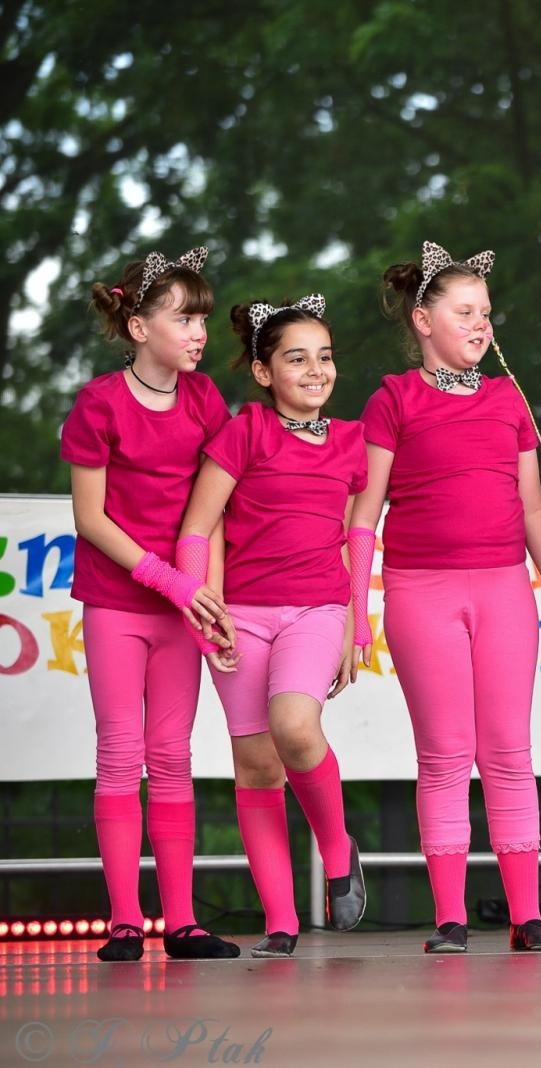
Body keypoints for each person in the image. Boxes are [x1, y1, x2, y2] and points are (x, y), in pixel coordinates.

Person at [351, 241, 541, 953]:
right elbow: (365, 511)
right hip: (423, 590)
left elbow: (533, 507)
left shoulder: (507, 398)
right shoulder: (394, 398)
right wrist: (356, 611)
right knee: (446, 754)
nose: (481, 324)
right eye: (464, 312)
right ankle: (449, 917)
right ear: (423, 320)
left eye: (486, 312)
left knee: (510, 750)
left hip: (505, 588)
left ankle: (527, 916)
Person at [177, 294, 367, 957]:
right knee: (257, 767)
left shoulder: (352, 442)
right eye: (296, 358)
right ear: (264, 373)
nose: (315, 370)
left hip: (317, 609)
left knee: (294, 725)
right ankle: (281, 922)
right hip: (241, 619)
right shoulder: (244, 432)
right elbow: (199, 529)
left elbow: (351, 539)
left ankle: (338, 845)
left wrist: (353, 624)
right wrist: (207, 615)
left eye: (324, 357)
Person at [69, 247, 239, 960]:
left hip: (183, 611)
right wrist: (170, 581)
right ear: (139, 326)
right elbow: (92, 518)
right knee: (120, 755)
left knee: (172, 755)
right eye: (183, 318)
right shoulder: (99, 404)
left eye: (202, 318)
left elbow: (218, 510)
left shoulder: (205, 402)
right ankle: (124, 922)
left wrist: (213, 602)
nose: (199, 331)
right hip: (118, 603)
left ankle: (182, 922)